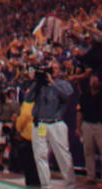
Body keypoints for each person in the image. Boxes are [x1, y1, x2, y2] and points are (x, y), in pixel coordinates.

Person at [25, 61, 75, 189]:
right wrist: (36, 81)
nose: (53, 71)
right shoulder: (39, 85)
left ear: (60, 70)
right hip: (41, 125)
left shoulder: (62, 83)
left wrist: (52, 82)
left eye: (56, 68)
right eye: (50, 69)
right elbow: (27, 98)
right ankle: (46, 185)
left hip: (56, 124)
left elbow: (67, 95)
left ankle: (70, 185)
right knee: (40, 154)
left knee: (63, 155)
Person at [76, 73, 102, 185]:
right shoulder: (84, 96)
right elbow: (79, 112)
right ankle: (90, 176)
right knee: (88, 151)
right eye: (92, 80)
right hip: (86, 124)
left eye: (96, 80)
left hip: (99, 125)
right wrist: (78, 127)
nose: (93, 82)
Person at [16, 100, 41, 187]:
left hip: (29, 135)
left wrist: (18, 128)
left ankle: (31, 181)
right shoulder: (44, 101)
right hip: (41, 133)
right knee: (40, 160)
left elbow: (24, 117)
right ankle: (39, 180)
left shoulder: (28, 103)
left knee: (29, 160)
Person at [0, 87, 19, 172]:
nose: (12, 95)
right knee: (1, 146)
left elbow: (16, 114)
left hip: (10, 124)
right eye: (10, 93)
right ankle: (0, 163)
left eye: (13, 93)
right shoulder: (2, 103)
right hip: (2, 123)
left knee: (13, 145)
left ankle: (13, 165)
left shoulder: (15, 104)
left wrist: (11, 123)